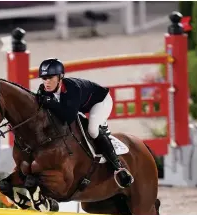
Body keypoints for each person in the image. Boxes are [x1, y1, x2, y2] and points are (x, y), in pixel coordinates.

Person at [35, 58, 133, 188]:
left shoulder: (72, 89)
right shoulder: (43, 89)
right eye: (44, 78)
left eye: (50, 78)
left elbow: (68, 117)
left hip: (100, 102)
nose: (46, 82)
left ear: (60, 77)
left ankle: (118, 167)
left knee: (93, 130)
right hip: (79, 106)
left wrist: (50, 102)